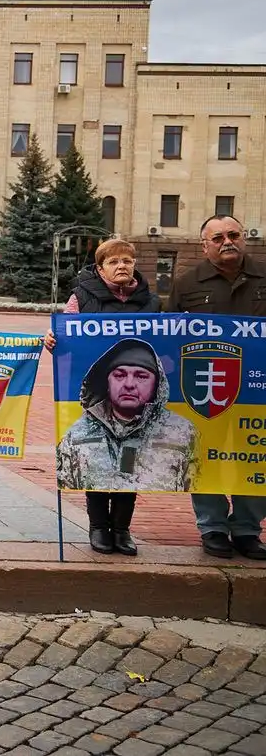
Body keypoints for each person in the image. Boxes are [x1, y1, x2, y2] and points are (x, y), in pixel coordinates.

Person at [44, 238, 161, 555]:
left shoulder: (151, 302)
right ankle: (98, 527)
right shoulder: (81, 297)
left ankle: (121, 529)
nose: (122, 266)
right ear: (100, 268)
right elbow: (65, 330)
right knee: (97, 460)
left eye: (127, 260)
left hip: (137, 401)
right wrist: (53, 338)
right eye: (114, 262)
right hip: (97, 398)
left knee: (129, 463)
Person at [169, 215, 266, 560]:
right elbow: (169, 336)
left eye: (234, 235)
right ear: (204, 245)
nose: (227, 241)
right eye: (218, 237)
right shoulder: (187, 283)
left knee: (255, 457)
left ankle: (247, 530)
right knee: (204, 458)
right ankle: (212, 527)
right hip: (204, 391)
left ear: (244, 238)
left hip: (259, 393)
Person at [57, 338, 197, 495]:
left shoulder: (182, 432)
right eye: (119, 375)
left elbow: (201, 482)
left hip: (152, 517)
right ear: (107, 383)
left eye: (141, 376)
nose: (129, 384)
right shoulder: (77, 434)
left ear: (157, 384)